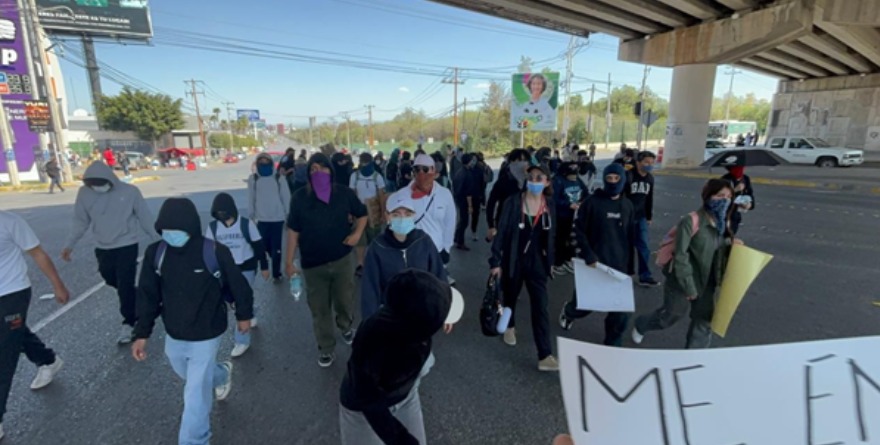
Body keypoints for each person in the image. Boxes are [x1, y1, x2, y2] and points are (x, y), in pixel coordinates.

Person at [132, 198, 254, 445]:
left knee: (195, 392)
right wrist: (141, 334)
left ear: (190, 227)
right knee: (187, 372)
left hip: (207, 330)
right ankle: (221, 374)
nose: (171, 234)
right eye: (166, 229)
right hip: (175, 331)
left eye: (176, 229)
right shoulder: (156, 253)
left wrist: (244, 316)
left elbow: (238, 285)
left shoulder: (214, 251)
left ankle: (195, 439)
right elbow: (147, 295)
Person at [339, 270, 452, 445]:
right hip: (362, 413)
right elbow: (367, 398)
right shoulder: (372, 338)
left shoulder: (412, 327)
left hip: (406, 397)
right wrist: (401, 439)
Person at [632, 179, 738, 349]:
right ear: (708, 196)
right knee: (670, 316)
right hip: (682, 279)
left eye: (728, 197)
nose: (725, 200)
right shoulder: (691, 221)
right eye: (720, 196)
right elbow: (680, 256)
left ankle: (693, 357)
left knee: (703, 321)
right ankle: (642, 324)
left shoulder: (723, 222)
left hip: (708, 281)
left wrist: (730, 243)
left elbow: (717, 248)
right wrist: (689, 287)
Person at [285, 153, 367, 368]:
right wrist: (289, 262)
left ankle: (345, 326)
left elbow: (362, 214)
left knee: (344, 300)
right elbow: (293, 230)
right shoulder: (300, 198)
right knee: (319, 309)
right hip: (313, 265)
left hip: (342, 260)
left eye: (323, 168)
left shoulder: (344, 194)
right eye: (313, 169)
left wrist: (357, 234)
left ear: (331, 171)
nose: (318, 172)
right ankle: (326, 347)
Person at [62, 161, 157, 345]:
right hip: (103, 247)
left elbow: (145, 217)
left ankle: (129, 323)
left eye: (100, 183)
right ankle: (140, 298)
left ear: (110, 179)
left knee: (124, 285)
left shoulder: (130, 192)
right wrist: (69, 245)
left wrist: (158, 241)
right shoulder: (84, 194)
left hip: (126, 244)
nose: (97, 187)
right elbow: (80, 221)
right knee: (110, 279)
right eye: (93, 184)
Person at [0, 211, 70, 441]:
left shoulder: (9, 222)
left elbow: (38, 253)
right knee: (14, 335)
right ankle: (48, 360)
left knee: (4, 352)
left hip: (12, 292)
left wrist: (58, 285)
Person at [559, 163, 636, 346]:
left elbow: (630, 237)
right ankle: (569, 312)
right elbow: (578, 231)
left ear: (623, 180)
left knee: (620, 312)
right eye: (609, 178)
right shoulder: (591, 203)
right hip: (595, 264)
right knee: (586, 305)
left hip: (619, 267)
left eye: (617, 178)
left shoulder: (627, 205)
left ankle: (612, 344)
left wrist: (630, 267)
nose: (613, 182)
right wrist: (588, 255)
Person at [490, 165, 558, 371]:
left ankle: (545, 354)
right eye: (531, 177)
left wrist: (551, 262)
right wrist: (495, 262)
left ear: (547, 182)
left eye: (539, 178)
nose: (534, 181)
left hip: (538, 263)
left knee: (541, 307)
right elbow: (501, 233)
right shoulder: (513, 202)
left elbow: (552, 236)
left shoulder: (549, 204)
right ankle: (509, 326)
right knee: (510, 296)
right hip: (514, 259)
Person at [359, 194, 446, 320]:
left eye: (407, 214)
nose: (402, 218)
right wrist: (369, 323)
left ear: (414, 215)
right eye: (396, 214)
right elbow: (370, 288)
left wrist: (446, 311)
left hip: (422, 312)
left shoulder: (424, 241)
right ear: (387, 216)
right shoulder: (377, 247)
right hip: (391, 315)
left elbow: (439, 277)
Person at [205, 192, 267, 358]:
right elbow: (208, 251)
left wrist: (264, 266)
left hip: (245, 267)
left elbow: (259, 246)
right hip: (224, 270)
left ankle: (242, 340)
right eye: (218, 213)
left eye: (224, 212)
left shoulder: (246, 224)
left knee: (241, 299)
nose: (222, 216)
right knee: (234, 298)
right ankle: (250, 312)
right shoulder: (213, 227)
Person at [388, 154, 456, 286]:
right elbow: (393, 221)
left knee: (434, 288)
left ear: (433, 171)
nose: (421, 173)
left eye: (425, 169)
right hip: (411, 252)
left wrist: (446, 248)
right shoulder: (402, 194)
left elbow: (450, 223)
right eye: (416, 169)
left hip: (437, 250)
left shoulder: (444, 194)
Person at [248, 153, 291, 282]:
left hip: (278, 219)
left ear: (271, 163)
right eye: (261, 162)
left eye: (266, 161)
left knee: (276, 248)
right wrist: (251, 215)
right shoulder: (253, 179)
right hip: (261, 220)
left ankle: (276, 273)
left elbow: (286, 197)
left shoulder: (279, 178)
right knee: (264, 246)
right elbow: (251, 198)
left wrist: (288, 215)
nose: (264, 164)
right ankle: (272, 257)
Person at [349, 152, 387, 277]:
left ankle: (372, 261)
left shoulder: (377, 177)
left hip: (373, 211)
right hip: (359, 211)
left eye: (366, 163)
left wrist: (383, 213)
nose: (364, 165)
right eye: (363, 163)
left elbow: (381, 196)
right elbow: (352, 194)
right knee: (359, 237)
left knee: (373, 237)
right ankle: (360, 264)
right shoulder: (354, 176)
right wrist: (351, 212)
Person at [626, 151, 660, 287]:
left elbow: (649, 198)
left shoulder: (650, 178)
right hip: (627, 217)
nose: (649, 165)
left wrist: (649, 216)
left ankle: (645, 276)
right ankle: (626, 272)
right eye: (646, 162)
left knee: (644, 247)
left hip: (641, 217)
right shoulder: (628, 176)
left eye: (652, 162)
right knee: (626, 247)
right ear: (638, 162)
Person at [551, 162, 589, 276]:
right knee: (561, 239)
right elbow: (554, 199)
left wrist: (583, 202)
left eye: (575, 174)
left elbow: (586, 192)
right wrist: (568, 205)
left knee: (572, 238)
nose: (574, 177)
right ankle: (558, 262)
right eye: (571, 175)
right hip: (562, 216)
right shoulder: (557, 181)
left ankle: (569, 259)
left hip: (575, 215)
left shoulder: (578, 180)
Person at [486, 149, 530, 242]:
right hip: (505, 223)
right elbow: (491, 203)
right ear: (511, 162)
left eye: (525, 161)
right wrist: (491, 226)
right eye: (519, 160)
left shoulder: (531, 181)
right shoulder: (503, 181)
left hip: (525, 224)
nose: (523, 164)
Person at [452, 154, 481, 251]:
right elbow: (468, 192)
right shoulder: (467, 174)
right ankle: (460, 242)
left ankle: (456, 238)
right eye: (472, 160)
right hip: (464, 200)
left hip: (459, 199)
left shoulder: (459, 172)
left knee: (462, 220)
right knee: (464, 222)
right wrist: (470, 206)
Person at [721, 166, 754, 235]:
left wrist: (749, 205)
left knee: (732, 234)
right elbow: (720, 198)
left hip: (735, 215)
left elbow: (750, 195)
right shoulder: (725, 180)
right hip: (725, 215)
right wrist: (735, 190)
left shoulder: (745, 179)